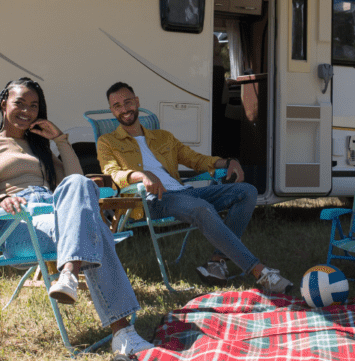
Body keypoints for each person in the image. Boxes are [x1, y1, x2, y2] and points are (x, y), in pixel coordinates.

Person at [0, 77, 151, 355]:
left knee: (81, 184)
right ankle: (123, 333)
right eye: (19, 103)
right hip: (18, 222)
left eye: (34, 106)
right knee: (96, 230)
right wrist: (2, 199)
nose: (26, 110)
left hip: (55, 213)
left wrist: (60, 140)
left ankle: (68, 275)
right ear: (4, 104)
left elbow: (76, 179)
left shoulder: (38, 147)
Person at [98, 81, 294, 294]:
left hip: (183, 193)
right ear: (112, 111)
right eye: (117, 106)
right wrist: (141, 175)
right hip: (152, 200)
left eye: (128, 102)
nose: (124, 109)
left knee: (246, 191)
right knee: (200, 207)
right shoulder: (107, 142)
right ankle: (260, 272)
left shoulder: (163, 137)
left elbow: (194, 159)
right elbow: (112, 174)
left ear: (137, 102)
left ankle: (216, 262)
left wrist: (226, 162)